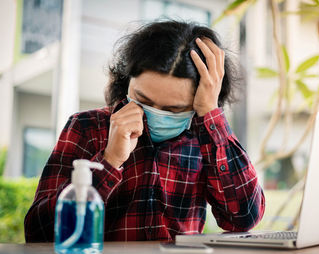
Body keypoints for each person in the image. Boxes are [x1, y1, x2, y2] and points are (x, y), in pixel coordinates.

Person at [24, 20, 265, 242]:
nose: (154, 115)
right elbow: (38, 234)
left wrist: (210, 114)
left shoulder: (208, 141)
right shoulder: (87, 127)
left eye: (173, 109)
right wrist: (109, 162)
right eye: (142, 100)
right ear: (126, 80)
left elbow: (243, 219)